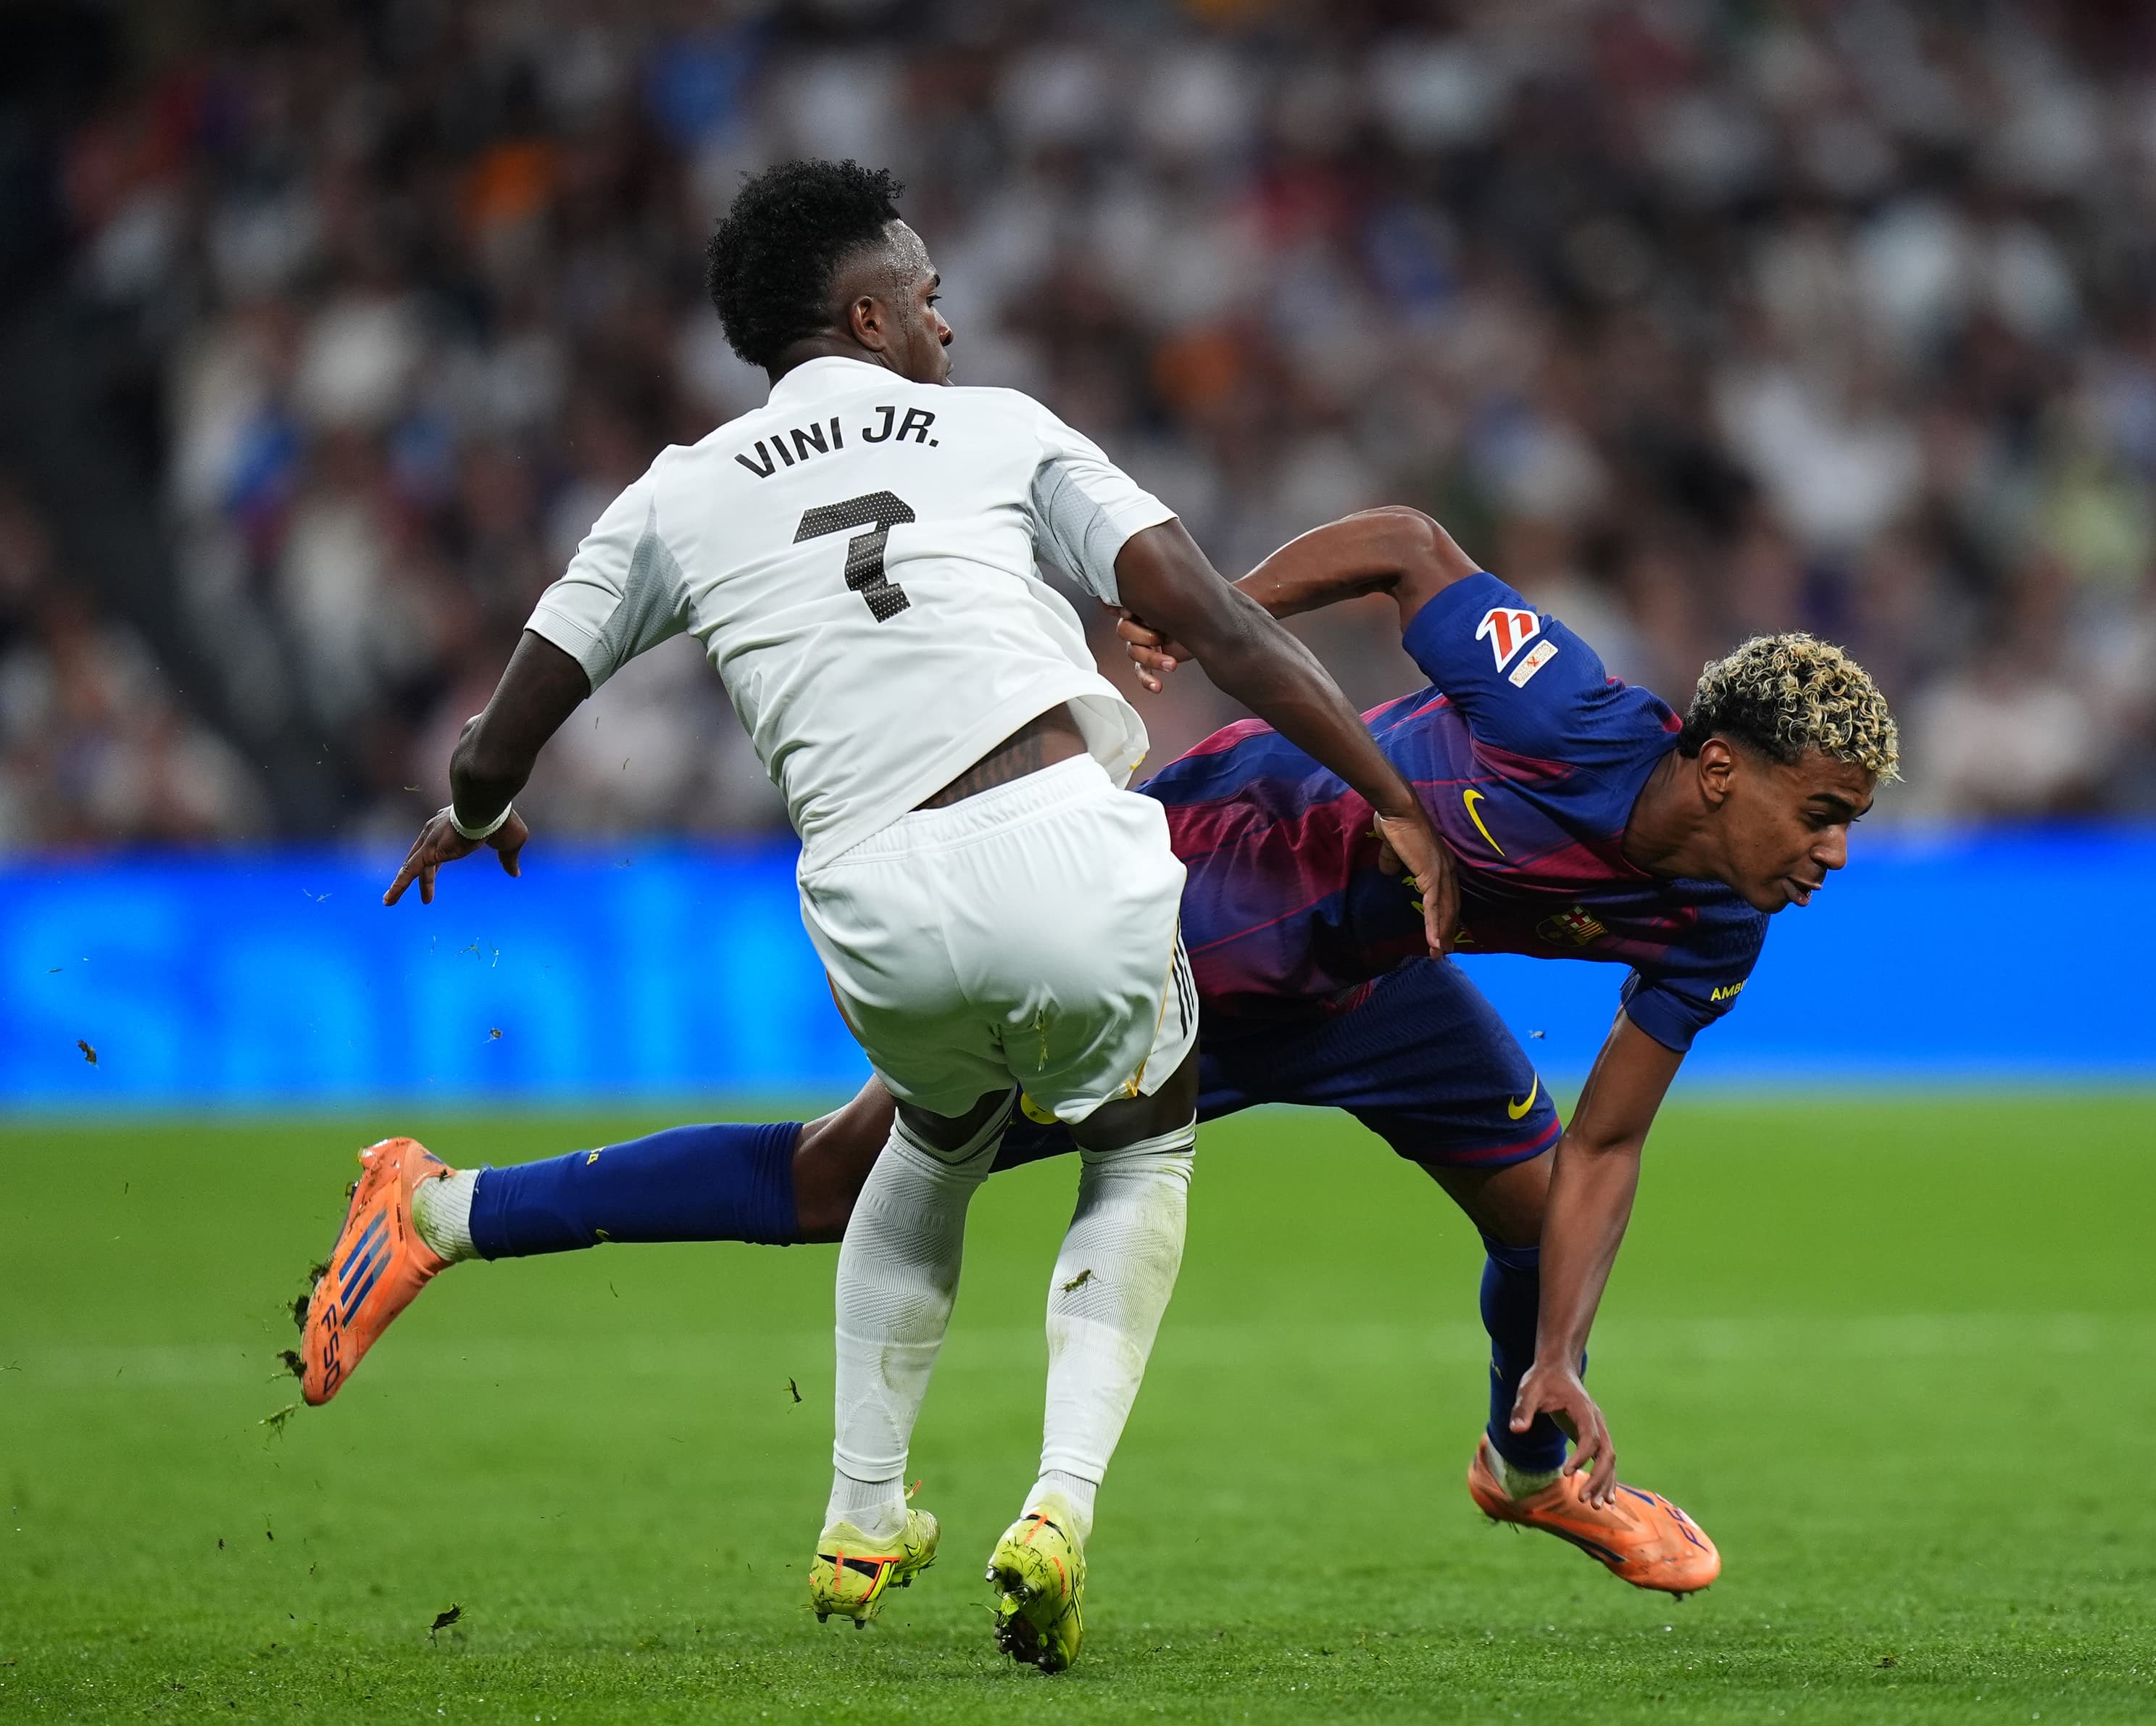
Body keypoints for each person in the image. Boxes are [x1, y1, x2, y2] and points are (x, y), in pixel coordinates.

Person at [298, 161, 1455, 1675]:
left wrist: (482, 802)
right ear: (866, 311)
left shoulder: (678, 489)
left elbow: (498, 734)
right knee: (1143, 1136)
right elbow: (1222, 623)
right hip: (1056, 840)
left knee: (935, 1128)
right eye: (924, 291)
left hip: (869, 906)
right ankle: (1057, 1502)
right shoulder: (1001, 429)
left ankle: (861, 1509)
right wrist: (1392, 794)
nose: (947, 319)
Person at [306, 505, 1896, 1606]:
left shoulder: (1720, 926)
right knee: (837, 1182)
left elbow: (1608, 1150)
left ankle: (1534, 1452)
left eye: (1846, 825)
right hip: (1191, 907)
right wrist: (1210, 609)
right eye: (1816, 809)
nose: (1827, 851)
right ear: (1712, 759)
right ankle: (439, 1208)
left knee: (1539, 1208)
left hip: (1367, 981)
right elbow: (1413, 549)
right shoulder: (1565, 710)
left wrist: (1563, 1347)